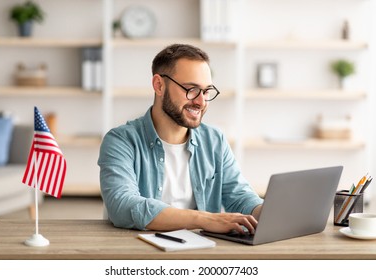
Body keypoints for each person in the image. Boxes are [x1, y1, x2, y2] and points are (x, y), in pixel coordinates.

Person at [98, 43, 263, 234]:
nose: (201, 102)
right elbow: (123, 206)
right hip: (140, 252)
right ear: (159, 85)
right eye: (191, 89)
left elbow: (240, 197)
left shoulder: (214, 140)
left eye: (206, 91)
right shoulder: (121, 141)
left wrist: (268, 212)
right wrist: (204, 219)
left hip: (201, 252)